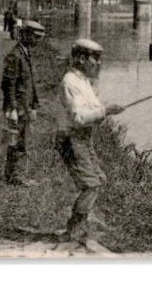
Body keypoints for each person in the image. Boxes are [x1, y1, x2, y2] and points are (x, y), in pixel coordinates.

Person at [56, 38, 124, 247]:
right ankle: (73, 231)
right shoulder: (70, 82)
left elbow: (92, 109)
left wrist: (105, 110)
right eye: (93, 58)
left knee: (98, 180)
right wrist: (105, 111)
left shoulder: (83, 81)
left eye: (98, 58)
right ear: (79, 59)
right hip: (71, 138)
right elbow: (78, 117)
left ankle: (81, 225)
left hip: (83, 138)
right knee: (91, 185)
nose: (98, 63)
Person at [1, 19, 47, 185]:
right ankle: (16, 176)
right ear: (26, 35)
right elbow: (8, 85)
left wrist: (34, 105)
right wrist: (12, 109)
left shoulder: (25, 54)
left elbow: (30, 83)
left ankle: (12, 174)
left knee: (20, 139)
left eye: (40, 37)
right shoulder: (15, 56)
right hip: (18, 107)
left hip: (24, 106)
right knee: (19, 141)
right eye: (35, 37)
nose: (38, 41)